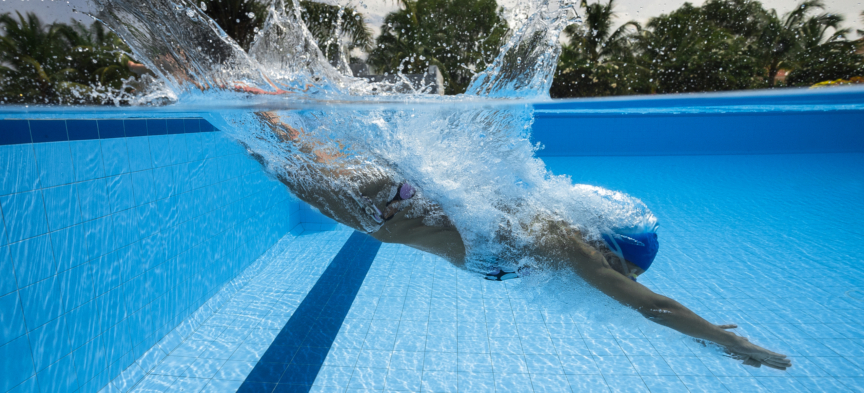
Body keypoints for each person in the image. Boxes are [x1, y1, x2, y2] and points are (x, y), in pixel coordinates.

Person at [250, 109, 792, 371]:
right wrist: (733, 343)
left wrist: (701, 338)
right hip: (383, 208)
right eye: (626, 272)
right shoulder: (571, 247)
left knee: (283, 148)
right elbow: (651, 306)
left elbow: (643, 308)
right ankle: (220, 91)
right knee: (268, 152)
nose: (620, 284)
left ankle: (251, 97)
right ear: (611, 251)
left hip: (391, 195)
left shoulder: (554, 237)